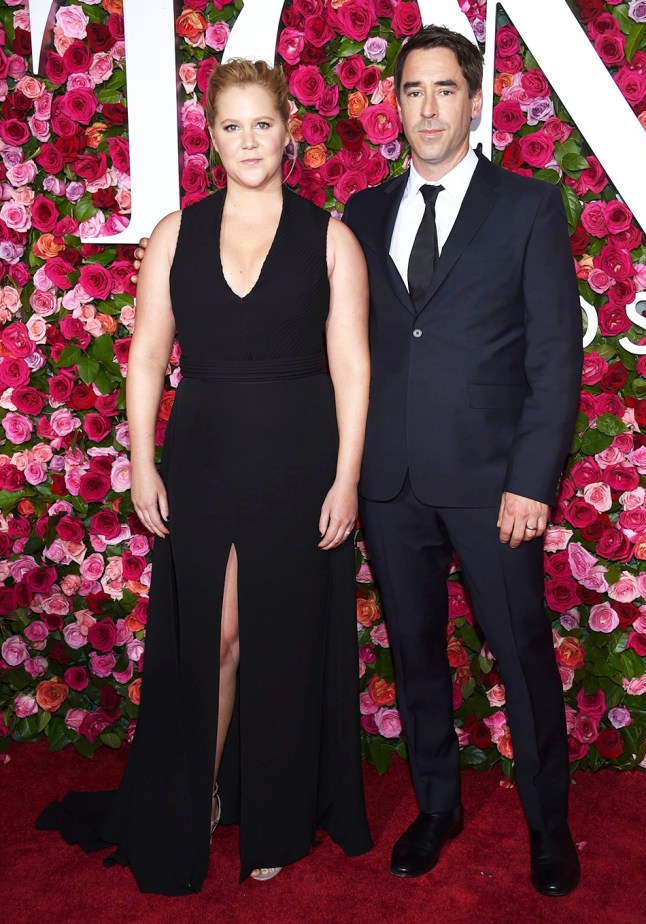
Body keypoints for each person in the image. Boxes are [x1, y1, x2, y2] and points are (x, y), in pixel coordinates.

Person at [37, 59, 372, 892]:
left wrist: (347, 479)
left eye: (263, 123)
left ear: (289, 130)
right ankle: (201, 798)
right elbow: (147, 355)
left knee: (283, 646)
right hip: (205, 456)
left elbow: (355, 368)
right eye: (232, 126)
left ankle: (276, 816)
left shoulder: (331, 237)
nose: (248, 140)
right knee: (216, 641)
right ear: (210, 136)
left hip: (301, 460)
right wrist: (142, 461)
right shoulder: (175, 232)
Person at [342, 27, 583, 897]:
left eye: (446, 89)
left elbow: (556, 357)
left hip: (494, 488)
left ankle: (549, 826)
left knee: (520, 655)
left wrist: (531, 480)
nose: (429, 106)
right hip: (391, 483)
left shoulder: (525, 207)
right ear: (395, 105)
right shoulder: (362, 214)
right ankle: (436, 805)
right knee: (416, 659)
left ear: (475, 101)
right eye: (414, 91)